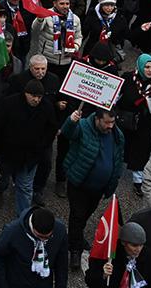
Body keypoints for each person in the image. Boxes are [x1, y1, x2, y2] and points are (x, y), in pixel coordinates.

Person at [61, 107, 125, 267]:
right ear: (97, 119)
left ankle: (76, 237)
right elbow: (68, 133)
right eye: (107, 122)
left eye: (113, 122)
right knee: (77, 215)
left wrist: (115, 177)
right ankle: (75, 250)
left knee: (84, 215)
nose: (111, 126)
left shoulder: (117, 134)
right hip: (79, 183)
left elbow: (118, 156)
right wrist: (71, 121)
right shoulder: (83, 126)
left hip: (99, 188)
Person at [0, 79, 58, 215]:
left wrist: (42, 147)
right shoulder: (8, 104)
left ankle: (23, 217)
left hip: (30, 156)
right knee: (3, 180)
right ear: (26, 93)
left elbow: (51, 129)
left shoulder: (46, 107)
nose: (36, 100)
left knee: (25, 187)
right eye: (33, 96)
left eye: (39, 97)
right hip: (7, 153)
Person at [0, 207, 68, 288]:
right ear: (32, 226)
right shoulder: (12, 232)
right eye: (40, 236)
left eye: (48, 237)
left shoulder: (60, 231)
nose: (43, 240)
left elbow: (62, 264)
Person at [117, 54, 151, 191]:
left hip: (146, 123)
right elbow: (116, 95)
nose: (149, 70)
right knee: (122, 144)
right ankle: (115, 170)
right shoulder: (127, 77)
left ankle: (138, 178)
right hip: (127, 120)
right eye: (146, 67)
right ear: (140, 66)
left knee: (142, 148)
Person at [83, 222, 147, 288]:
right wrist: (103, 275)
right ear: (123, 242)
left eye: (141, 245)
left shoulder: (144, 255)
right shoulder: (109, 255)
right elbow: (89, 280)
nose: (138, 249)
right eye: (134, 245)